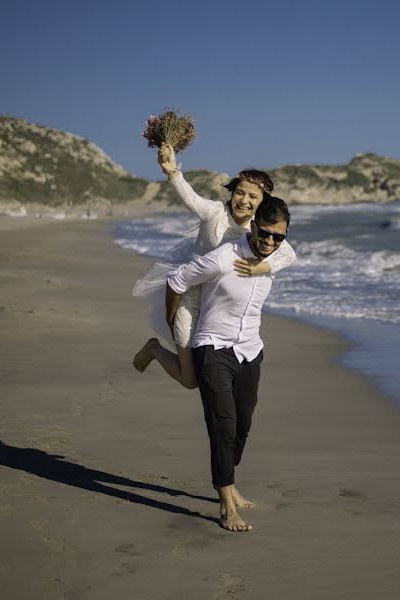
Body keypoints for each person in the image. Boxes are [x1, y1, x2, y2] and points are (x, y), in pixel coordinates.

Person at [166, 196, 291, 532]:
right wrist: (172, 321)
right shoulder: (224, 257)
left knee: (242, 427)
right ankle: (225, 505)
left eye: (278, 237)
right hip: (213, 348)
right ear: (254, 226)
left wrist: (265, 264)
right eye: (265, 234)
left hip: (250, 351)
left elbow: (289, 255)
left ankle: (229, 481)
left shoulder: (276, 255)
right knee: (222, 425)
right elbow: (177, 280)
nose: (270, 242)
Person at [132, 144, 296, 389]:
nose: (244, 200)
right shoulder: (215, 212)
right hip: (191, 297)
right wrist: (172, 171)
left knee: (209, 372)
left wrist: (264, 267)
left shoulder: (259, 228)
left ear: (262, 203)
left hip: (220, 305)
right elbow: (191, 198)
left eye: (253, 196)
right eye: (240, 192)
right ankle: (155, 349)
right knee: (190, 380)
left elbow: (288, 252)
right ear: (232, 192)